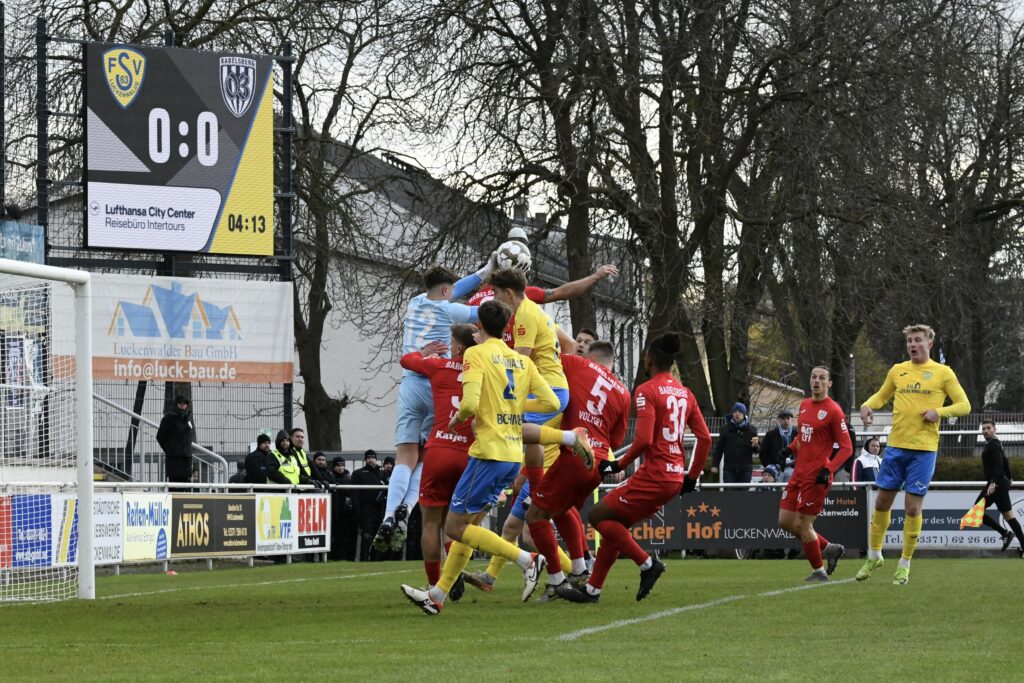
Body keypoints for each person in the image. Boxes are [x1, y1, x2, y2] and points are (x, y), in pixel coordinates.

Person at [400, 299, 560, 615]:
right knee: (468, 525)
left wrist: (459, 417)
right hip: (513, 455)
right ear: (507, 326)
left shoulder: (475, 353)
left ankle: (527, 560)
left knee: (456, 528)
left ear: (480, 326)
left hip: (487, 453)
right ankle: (437, 596)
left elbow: (471, 403)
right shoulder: (522, 362)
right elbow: (552, 401)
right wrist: (513, 410)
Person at [562, 333, 712, 603]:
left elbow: (643, 440)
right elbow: (704, 438)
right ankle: (592, 590)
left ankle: (647, 564)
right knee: (614, 525)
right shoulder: (685, 393)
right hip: (675, 476)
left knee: (597, 516)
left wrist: (618, 464)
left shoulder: (646, 391)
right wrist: (691, 476)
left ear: (651, 359)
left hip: (655, 475)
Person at [378, 264, 485, 555]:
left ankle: (389, 516)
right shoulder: (453, 313)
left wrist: (485, 270)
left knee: (405, 456)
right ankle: (408, 507)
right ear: (447, 291)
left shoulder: (414, 302)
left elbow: (452, 289)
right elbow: (486, 314)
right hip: (438, 385)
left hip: (414, 379)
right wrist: (489, 278)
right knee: (424, 457)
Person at [857, 323, 971, 585]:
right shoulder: (898, 370)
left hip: (924, 451)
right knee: (882, 503)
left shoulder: (943, 372)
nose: (913, 345)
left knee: (911, 508)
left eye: (918, 340)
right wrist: (866, 405)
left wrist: (939, 413)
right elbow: (881, 396)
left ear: (929, 344)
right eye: (909, 341)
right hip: (896, 447)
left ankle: (904, 564)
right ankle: (875, 555)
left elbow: (964, 405)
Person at [522, 339, 631, 601]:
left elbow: (546, 360)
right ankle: (580, 568)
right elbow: (616, 441)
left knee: (534, 516)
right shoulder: (624, 393)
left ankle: (557, 580)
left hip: (574, 455)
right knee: (561, 511)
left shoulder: (576, 365)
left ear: (591, 358)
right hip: (597, 464)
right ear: (611, 361)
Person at [399, 324, 478, 590]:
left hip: (440, 449)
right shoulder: (484, 371)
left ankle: (436, 587)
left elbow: (407, 361)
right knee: (454, 522)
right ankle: (452, 577)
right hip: (470, 454)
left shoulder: (440, 366)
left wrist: (424, 352)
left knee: (431, 523)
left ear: (456, 347)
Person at [777, 367, 853, 582]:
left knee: (803, 525)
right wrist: (790, 448)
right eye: (813, 377)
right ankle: (829, 548)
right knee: (785, 521)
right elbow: (803, 436)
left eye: (822, 378)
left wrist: (828, 469)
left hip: (817, 476)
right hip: (798, 473)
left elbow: (846, 448)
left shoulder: (834, 410)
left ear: (829, 384)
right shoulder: (804, 405)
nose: (816, 381)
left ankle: (818, 571)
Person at [974, 419, 1024, 555]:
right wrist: (1010, 477)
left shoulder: (994, 444)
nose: (985, 431)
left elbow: (998, 463)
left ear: (994, 429)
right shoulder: (994, 443)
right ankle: (1007, 534)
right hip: (997, 483)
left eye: (988, 428)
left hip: (996, 485)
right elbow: (1005, 461)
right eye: (983, 429)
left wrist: (993, 482)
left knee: (978, 512)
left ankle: (1006, 534)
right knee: (1008, 517)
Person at [351, 450, 387, 560]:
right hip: (366, 509)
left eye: (373, 457)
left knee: (379, 537)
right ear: (365, 459)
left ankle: (376, 560)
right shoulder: (359, 473)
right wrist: (357, 511)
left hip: (380, 509)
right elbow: (355, 494)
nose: (371, 460)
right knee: (367, 537)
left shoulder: (382, 472)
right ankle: (364, 559)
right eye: (368, 458)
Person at [711, 402, 759, 483]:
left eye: (740, 412)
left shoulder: (752, 429)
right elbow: (719, 449)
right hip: (729, 469)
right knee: (730, 494)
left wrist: (756, 446)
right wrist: (714, 465)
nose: (737, 414)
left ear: (744, 414)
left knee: (744, 494)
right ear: (732, 414)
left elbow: (757, 450)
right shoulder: (725, 429)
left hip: (745, 469)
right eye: (735, 412)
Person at [156, 394, 195, 483]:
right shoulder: (169, 418)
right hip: (174, 458)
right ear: (176, 404)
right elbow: (160, 436)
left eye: (185, 403)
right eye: (180, 403)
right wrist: (169, 449)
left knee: (187, 485)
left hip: (186, 458)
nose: (183, 405)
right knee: (175, 485)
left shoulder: (188, 417)